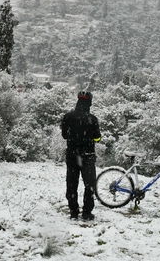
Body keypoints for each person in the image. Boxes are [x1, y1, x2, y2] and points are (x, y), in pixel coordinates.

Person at [61, 91, 101, 221]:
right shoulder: (92, 119)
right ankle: (87, 213)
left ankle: (73, 211)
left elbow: (64, 135)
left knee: (72, 183)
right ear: (89, 103)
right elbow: (97, 137)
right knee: (89, 184)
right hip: (87, 156)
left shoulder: (68, 117)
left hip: (72, 155)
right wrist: (92, 139)